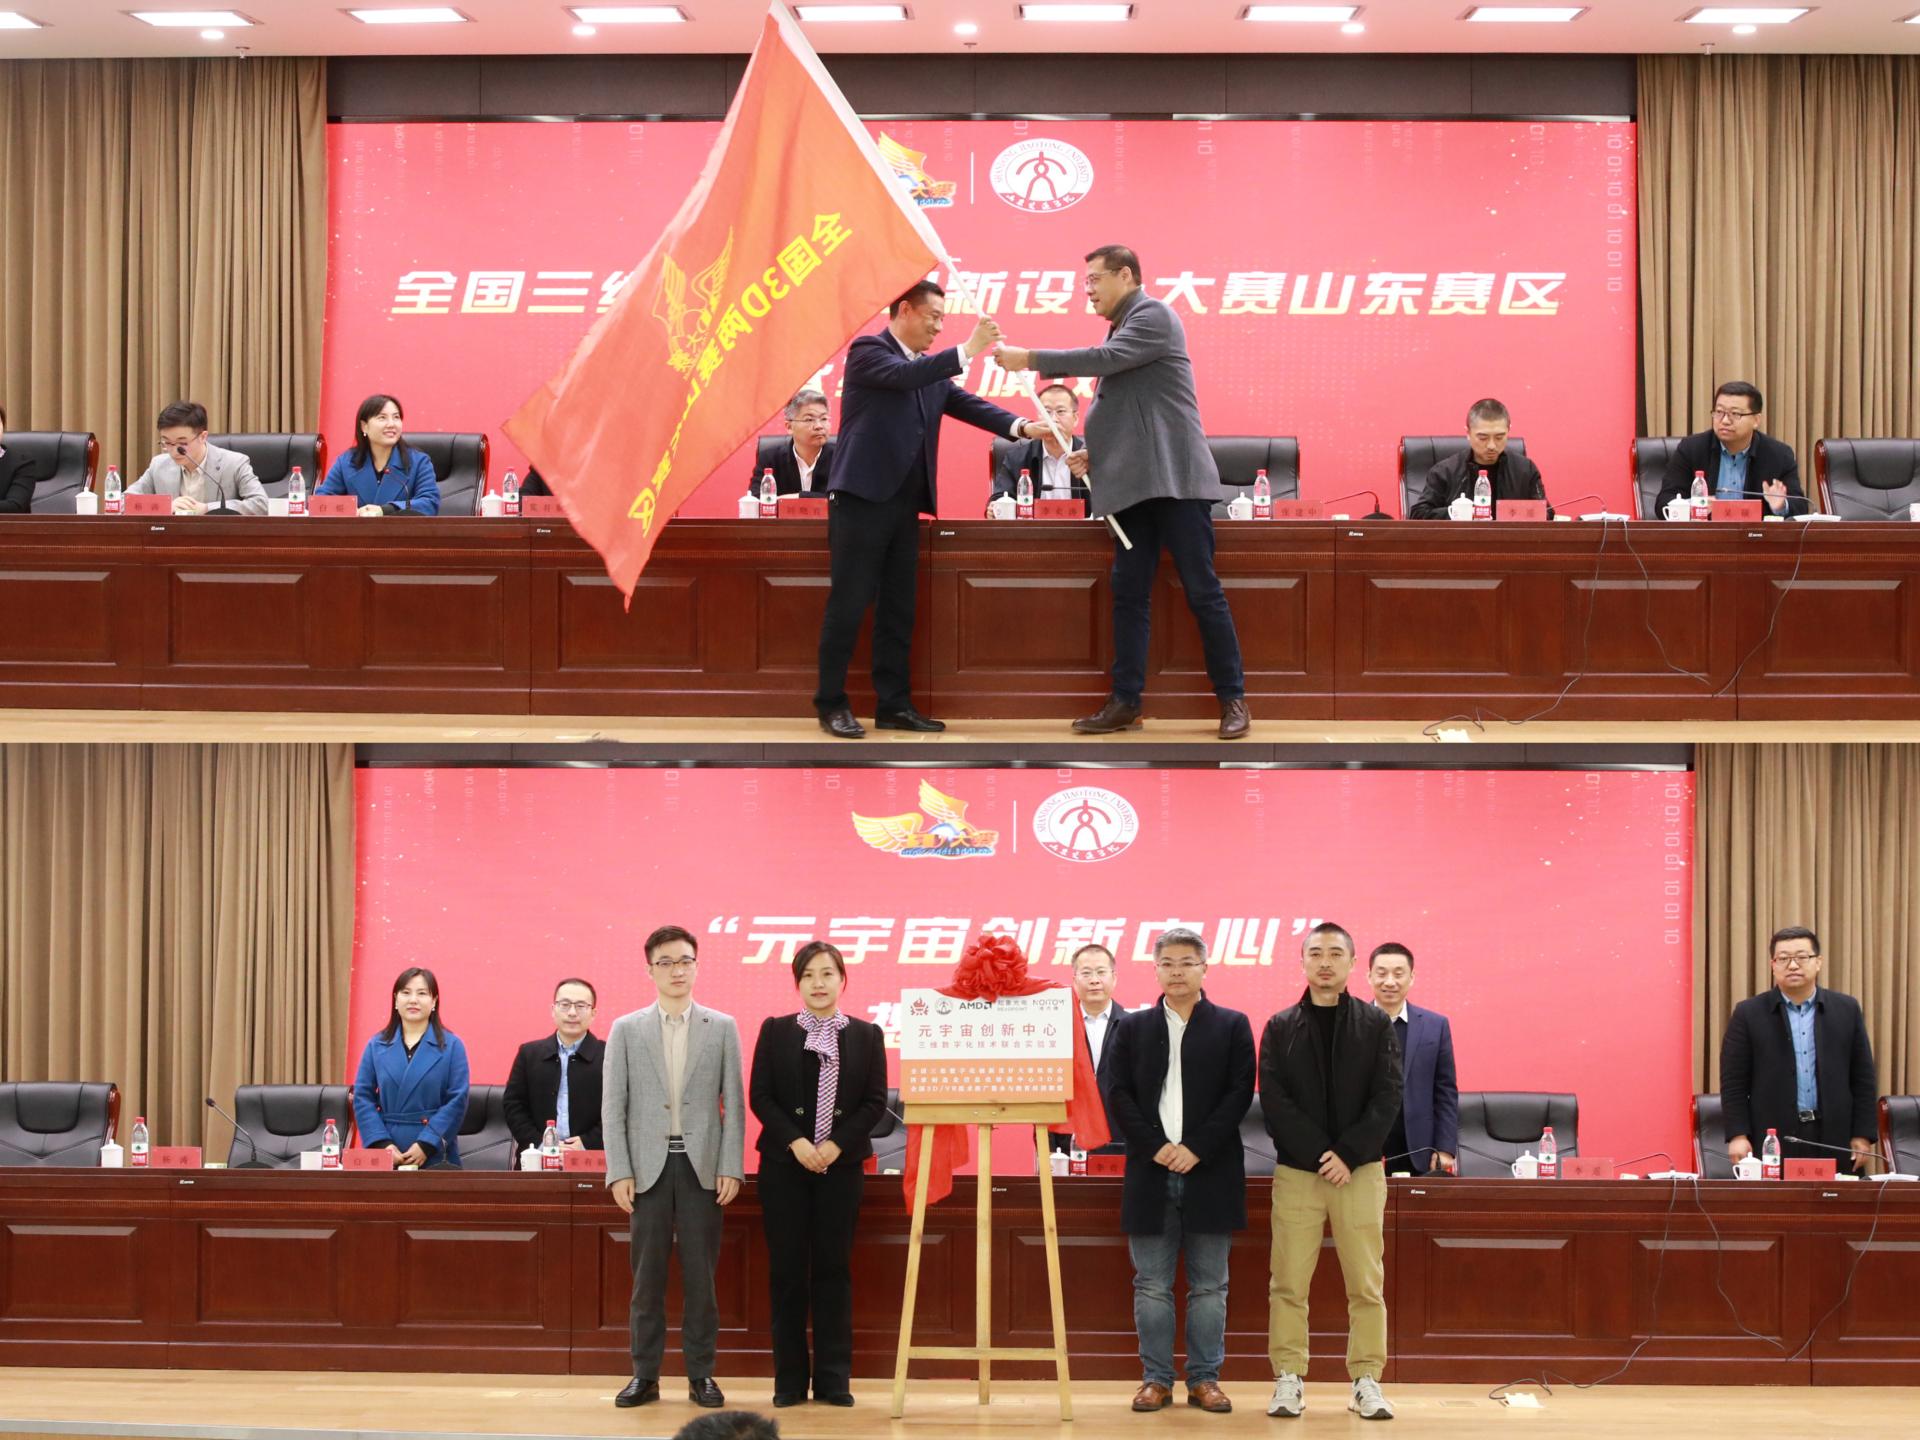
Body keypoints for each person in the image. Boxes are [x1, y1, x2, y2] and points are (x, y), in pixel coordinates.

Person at [998, 246, 1249, 740]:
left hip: (1176, 483)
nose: (1088, 290)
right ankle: (1125, 702)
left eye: (1094, 279)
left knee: (1203, 592)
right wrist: (1096, 455)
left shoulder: (1153, 315)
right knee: (1128, 594)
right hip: (1134, 488)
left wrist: (1030, 358)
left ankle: (1233, 698)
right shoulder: (1122, 326)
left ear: (1126, 275)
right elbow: (1137, 414)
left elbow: (1107, 361)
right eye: (1085, 282)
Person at [813, 279, 1052, 739]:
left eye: (944, 319)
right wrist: (970, 349)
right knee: (849, 604)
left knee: (899, 608)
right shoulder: (869, 352)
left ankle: (894, 705)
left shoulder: (928, 372)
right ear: (905, 310)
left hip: (904, 504)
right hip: (861, 498)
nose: (939, 327)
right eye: (934, 317)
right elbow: (904, 378)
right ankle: (831, 704)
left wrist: (1023, 427)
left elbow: (969, 405)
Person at [1103, 928, 1256, 1415]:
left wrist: (1196, 1148)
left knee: (1210, 1285)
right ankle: (1156, 1379)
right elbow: (1117, 1094)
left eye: (1187, 962)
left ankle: (1205, 1379)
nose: (1176, 971)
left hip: (1211, 1170)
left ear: (1204, 968)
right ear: (1155, 970)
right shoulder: (1132, 1028)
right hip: (1151, 1172)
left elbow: (1239, 1093)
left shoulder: (1231, 1025)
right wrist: (1158, 1148)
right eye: (1167, 963)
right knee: (1151, 1284)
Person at [1258, 922, 1402, 1422]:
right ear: (1302, 961)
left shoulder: (1375, 1024)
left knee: (1366, 1283)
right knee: (1288, 1282)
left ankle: (1366, 1380)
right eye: (1316, 953)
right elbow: (1274, 1101)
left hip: (1359, 1172)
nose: (1325, 962)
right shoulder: (1280, 1026)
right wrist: (1322, 1153)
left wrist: (1347, 1153)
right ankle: (1288, 1376)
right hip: (1299, 1173)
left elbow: (1388, 1096)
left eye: (1335, 953)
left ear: (1352, 963)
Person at [605, 924, 745, 1411]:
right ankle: (644, 1375)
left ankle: (701, 1375)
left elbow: (734, 1104)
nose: (676, 970)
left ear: (696, 966)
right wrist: (619, 1170)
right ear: (650, 971)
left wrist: (731, 1165)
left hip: (702, 1168)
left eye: (685, 960)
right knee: (647, 1280)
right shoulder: (626, 1029)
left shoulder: (721, 1026)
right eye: (665, 962)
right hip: (647, 1170)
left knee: (701, 1280)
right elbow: (613, 1107)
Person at [748, 941, 887, 1409]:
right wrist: (798, 1142)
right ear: (797, 984)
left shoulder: (867, 1035)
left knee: (833, 1271)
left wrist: (835, 1144)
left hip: (841, 1169)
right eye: (808, 975)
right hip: (784, 1167)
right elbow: (761, 1096)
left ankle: (833, 1380)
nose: (818, 983)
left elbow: (874, 1102)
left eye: (827, 974)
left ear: (842, 980)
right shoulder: (776, 1030)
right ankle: (789, 1381)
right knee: (787, 1272)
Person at [1720, 925, 1878, 1174]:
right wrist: (1738, 1134)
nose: (1793, 965)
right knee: (1777, 1198)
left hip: (1835, 1134)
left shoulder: (1846, 1009)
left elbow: (1863, 1078)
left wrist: (1863, 1133)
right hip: (1772, 1136)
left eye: (1802, 957)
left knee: (1836, 1198)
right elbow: (1733, 1082)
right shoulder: (1748, 1013)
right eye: (1783, 958)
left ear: (1818, 962)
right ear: (1773, 965)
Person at [351, 967, 472, 1168]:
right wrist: (382, 1144)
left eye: (422, 993)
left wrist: (427, 1144)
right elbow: (363, 1097)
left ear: (434, 1001)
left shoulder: (452, 1046)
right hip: (387, 1152)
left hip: (435, 1153)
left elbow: (457, 1100)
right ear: (395, 1000)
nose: (413, 1000)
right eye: (406, 993)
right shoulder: (376, 1045)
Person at [1366, 943, 1458, 1176]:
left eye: (1398, 974)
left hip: (1418, 1150)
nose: (1389, 982)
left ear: (1412, 977)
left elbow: (1445, 1091)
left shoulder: (1435, 1026)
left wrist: (1445, 1148)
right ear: (1369, 976)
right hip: (1362, 1150)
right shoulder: (1350, 1024)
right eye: (1381, 973)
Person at [1655, 381, 1807, 518]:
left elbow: (1801, 507)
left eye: (1735, 414)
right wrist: (1693, 506)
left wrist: (1780, 506)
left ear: (1756, 420)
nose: (1725, 421)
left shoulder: (1779, 455)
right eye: (1719, 412)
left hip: (1756, 538)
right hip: (1704, 537)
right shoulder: (1691, 449)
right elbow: (1664, 502)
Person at [502, 977, 605, 1153]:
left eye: (581, 1006)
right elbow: (514, 1105)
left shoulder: (609, 1055)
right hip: (537, 1156)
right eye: (565, 1005)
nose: (572, 1013)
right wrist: (543, 1145)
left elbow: (620, 1109)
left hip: (591, 1157)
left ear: (593, 1013)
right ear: (553, 1010)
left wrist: (587, 1143)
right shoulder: (529, 1054)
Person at [1407, 398, 1550, 520]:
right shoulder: (1445, 472)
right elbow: (1418, 514)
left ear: (1509, 430)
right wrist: (1456, 513)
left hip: (1511, 543)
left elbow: (1547, 514)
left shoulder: (1525, 470)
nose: (1491, 445)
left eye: (1499, 437)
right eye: (1483, 438)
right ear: (1468, 433)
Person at [125, 401, 267, 516]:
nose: (174, 451)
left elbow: (261, 504)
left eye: (182, 443)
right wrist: (165, 507)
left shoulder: (234, 463)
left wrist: (207, 508)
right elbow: (123, 502)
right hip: (170, 539)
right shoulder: (159, 465)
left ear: (203, 437)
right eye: (167, 443)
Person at [1048, 942, 1123, 1156]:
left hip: (1121, 1139)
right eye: (1086, 973)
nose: (1094, 980)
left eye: (1101, 972)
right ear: (1074, 980)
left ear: (1114, 978)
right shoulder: (1056, 1028)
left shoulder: (1133, 1027)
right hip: (1068, 1141)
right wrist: (1047, 1147)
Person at [316, 393, 441, 516]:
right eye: (382, 418)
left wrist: (386, 510)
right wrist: (353, 511)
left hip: (401, 529)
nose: (391, 424)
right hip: (358, 529)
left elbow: (429, 503)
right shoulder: (346, 463)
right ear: (364, 426)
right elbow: (320, 502)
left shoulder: (419, 462)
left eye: (396, 417)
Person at [988, 382, 1090, 515]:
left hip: (1082, 528)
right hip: (1032, 528)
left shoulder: (1090, 458)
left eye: (1060, 411)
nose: (1053, 419)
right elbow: (1001, 497)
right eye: (1046, 412)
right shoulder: (1017, 457)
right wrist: (995, 508)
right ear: (1039, 416)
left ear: (1075, 418)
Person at [747, 390, 836, 498]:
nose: (819, 426)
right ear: (789, 427)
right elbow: (756, 498)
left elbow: (843, 500)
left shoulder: (842, 458)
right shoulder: (770, 459)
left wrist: (799, 497)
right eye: (809, 419)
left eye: (824, 419)